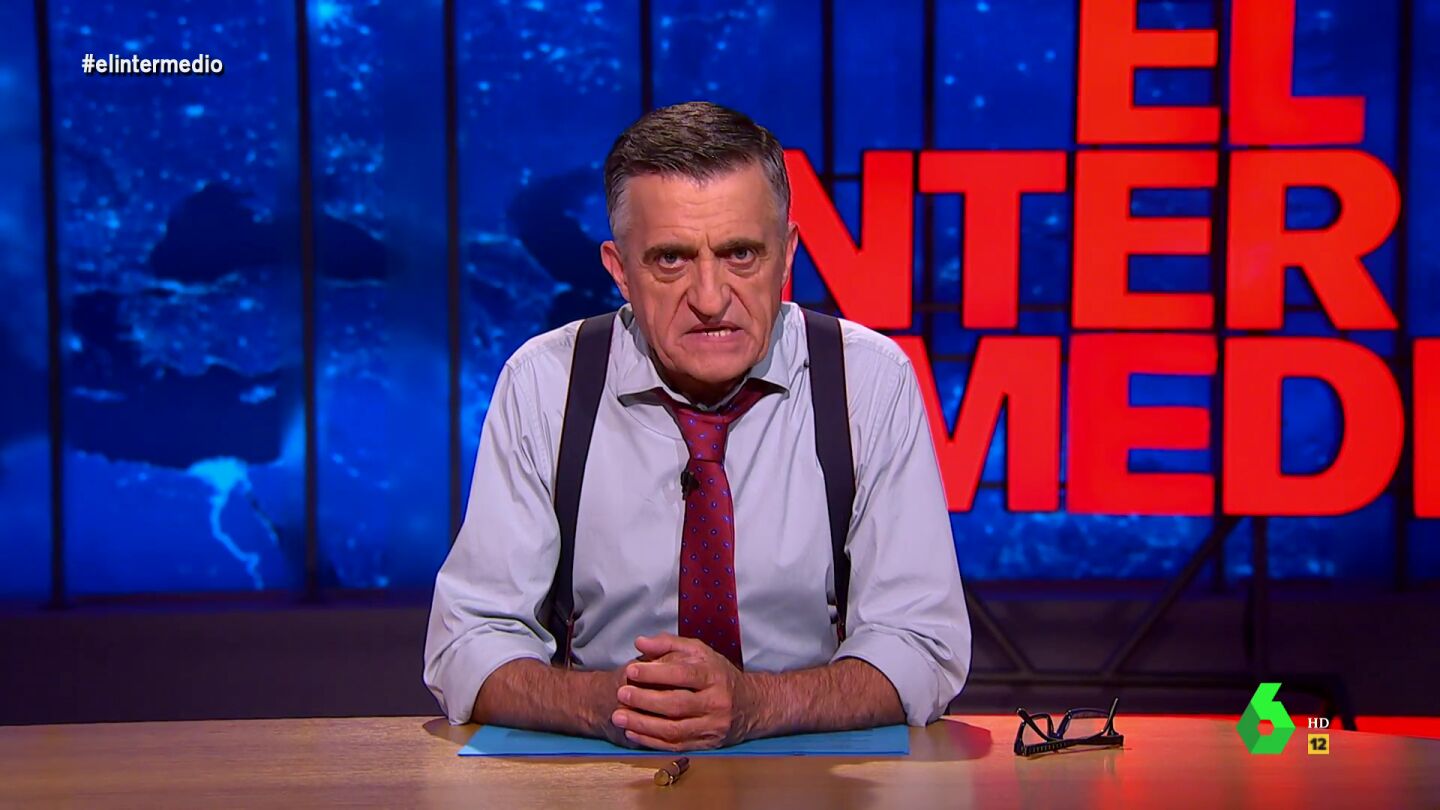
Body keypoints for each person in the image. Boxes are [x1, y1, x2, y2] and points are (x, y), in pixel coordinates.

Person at [424, 101, 970, 752]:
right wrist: (614, 704)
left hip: (811, 773)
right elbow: (468, 644)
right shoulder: (545, 385)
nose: (710, 299)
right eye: (671, 260)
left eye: (740, 254)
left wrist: (758, 706)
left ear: (787, 255)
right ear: (619, 271)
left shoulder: (868, 381)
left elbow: (921, 645)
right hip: (605, 775)